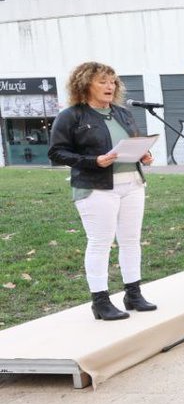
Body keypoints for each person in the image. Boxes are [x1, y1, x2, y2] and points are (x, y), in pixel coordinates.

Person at [47, 61, 156, 321]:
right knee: (100, 243)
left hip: (132, 183)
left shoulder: (122, 113)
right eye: (103, 81)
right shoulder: (71, 115)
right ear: (85, 84)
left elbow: (131, 142)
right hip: (96, 187)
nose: (110, 86)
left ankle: (133, 293)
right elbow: (56, 152)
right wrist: (93, 161)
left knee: (130, 240)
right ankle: (100, 301)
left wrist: (144, 155)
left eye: (113, 82)